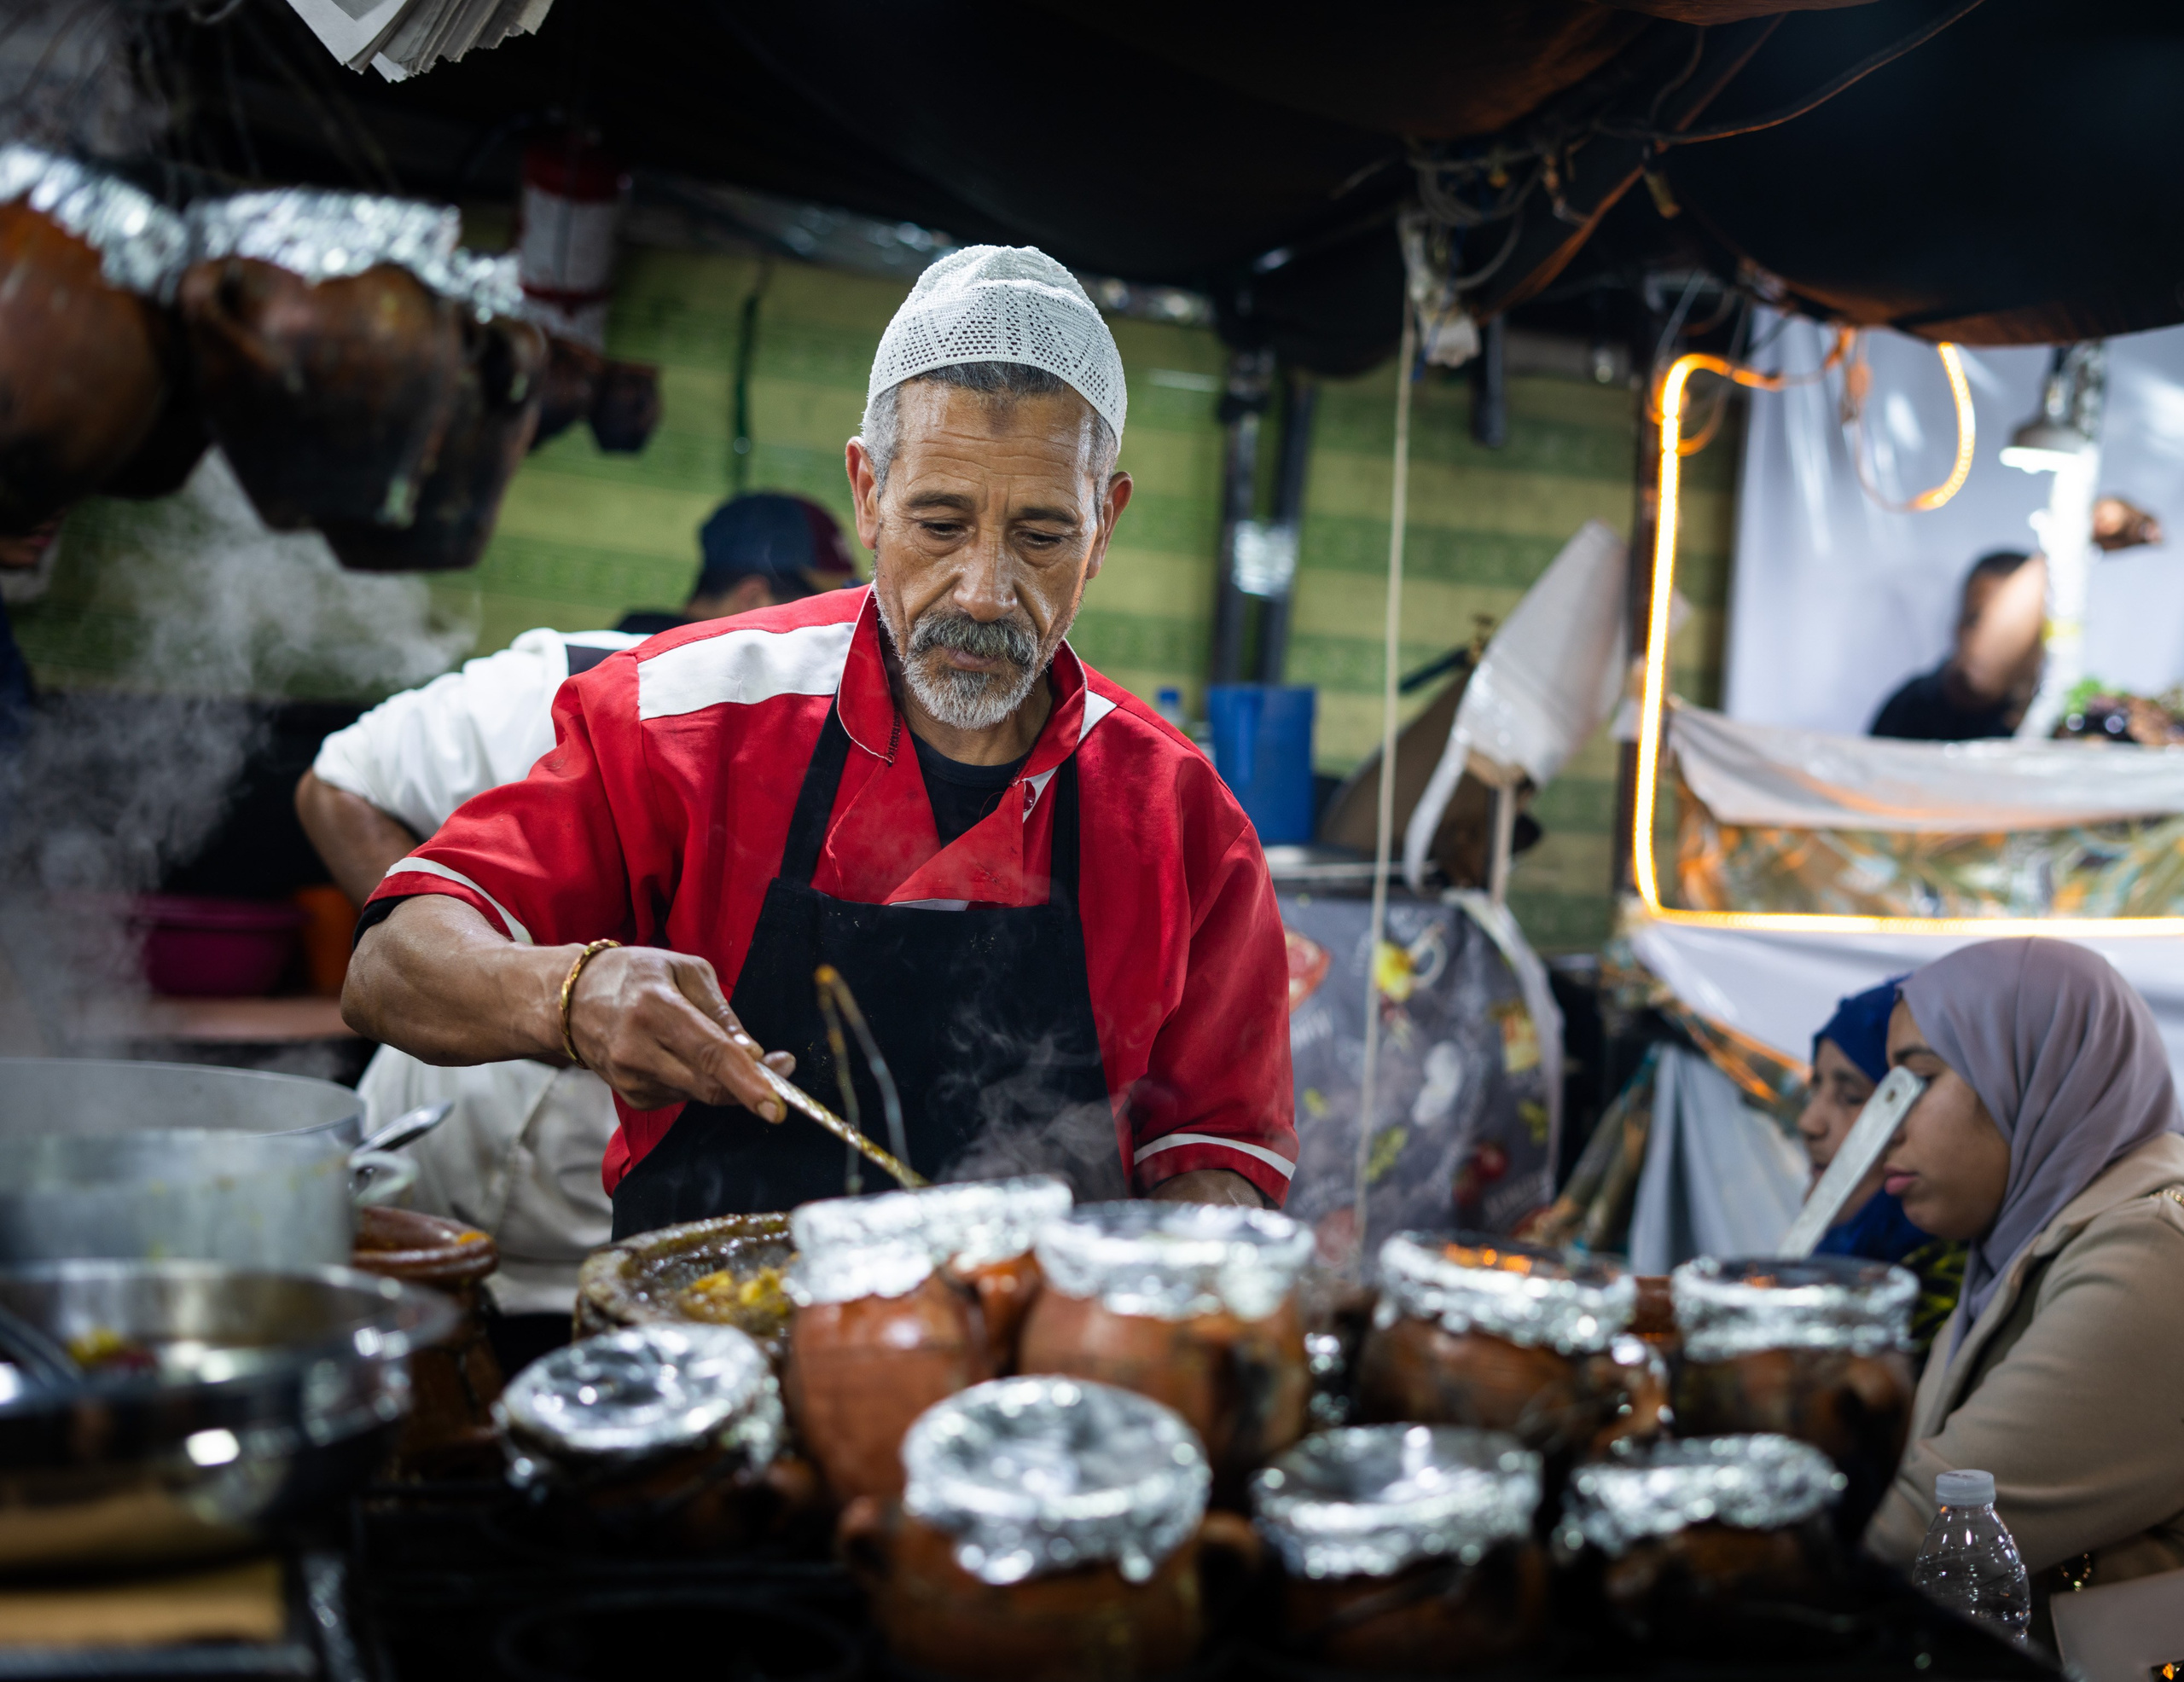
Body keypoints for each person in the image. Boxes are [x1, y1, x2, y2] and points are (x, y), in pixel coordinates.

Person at [340, 245, 1295, 1236]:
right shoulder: (684, 718)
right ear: (867, 491)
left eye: (1042, 536)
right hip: (711, 1334)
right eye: (938, 521)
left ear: (1105, 523)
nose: (981, 591)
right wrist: (570, 993)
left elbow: (1222, 1152)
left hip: (1022, 1367)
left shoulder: (1181, 818)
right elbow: (389, 967)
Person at [295, 492, 856, 1342]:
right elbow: (337, 781)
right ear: (757, 608)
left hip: (618, 1249)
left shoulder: (835, 757)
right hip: (425, 1192)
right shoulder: (562, 676)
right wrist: (501, 974)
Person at [1862, 940, 2184, 1615]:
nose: (1880, 1125)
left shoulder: (2154, 1254)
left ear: (2035, 1071)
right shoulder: (2018, 1247)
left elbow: (1929, 1525)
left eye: (1917, 1082)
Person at [1870, 498, 2163, 741]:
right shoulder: (1923, 704)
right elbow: (1980, 673)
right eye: (1978, 621)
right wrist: (2070, 540)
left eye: (2014, 621)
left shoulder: (2069, 711)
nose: (1991, 636)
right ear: (1957, 627)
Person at [1797, 978, 1962, 1359]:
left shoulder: (1943, 1296)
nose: (1809, 1122)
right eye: (1814, 1087)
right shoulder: (1829, 1258)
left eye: (1852, 1097)